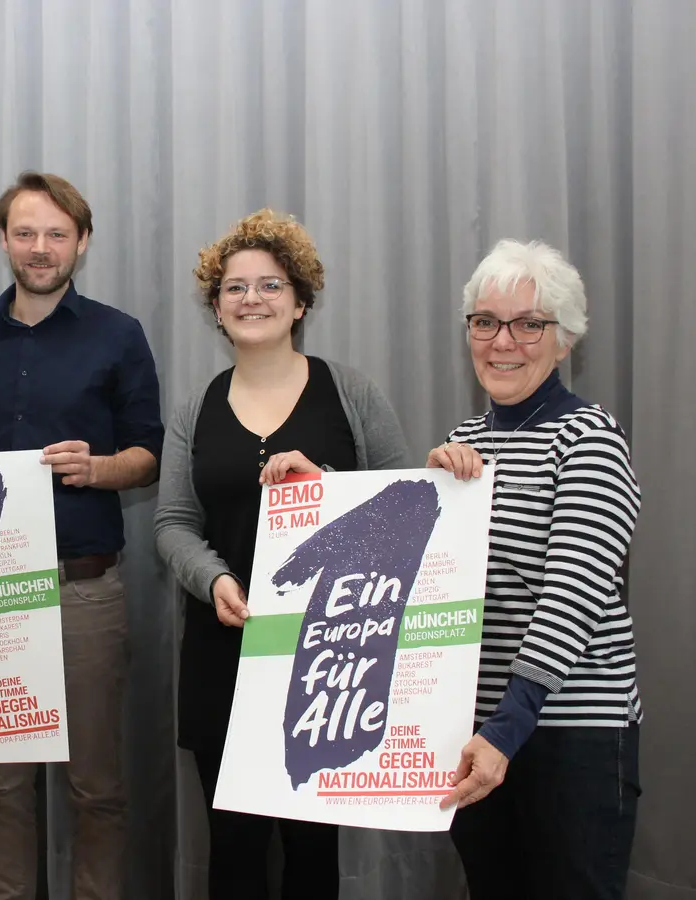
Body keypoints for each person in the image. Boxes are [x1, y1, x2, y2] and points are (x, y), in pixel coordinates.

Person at [152, 209, 412, 898]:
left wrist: (326, 488)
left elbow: (408, 510)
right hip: (222, 653)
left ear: (300, 302)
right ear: (216, 306)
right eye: (235, 288)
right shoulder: (195, 410)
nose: (252, 300)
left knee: (309, 847)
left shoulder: (350, 394)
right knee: (233, 850)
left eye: (270, 285)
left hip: (328, 655)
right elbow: (173, 524)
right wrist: (212, 581)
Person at [0, 171, 162, 900]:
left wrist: (99, 470)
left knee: (94, 787)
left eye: (57, 234)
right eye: (26, 232)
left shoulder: (118, 334)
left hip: (84, 588)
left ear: (83, 242)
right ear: (3, 239)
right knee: (0, 786)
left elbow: (149, 453)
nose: (41, 249)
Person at [429, 239, 643, 900]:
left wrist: (505, 730)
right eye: (486, 322)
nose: (503, 342)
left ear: (565, 339)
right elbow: (427, 591)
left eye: (529, 325)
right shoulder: (463, 444)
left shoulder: (589, 441)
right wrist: (329, 497)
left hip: (569, 733)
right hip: (477, 735)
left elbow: (569, 598)